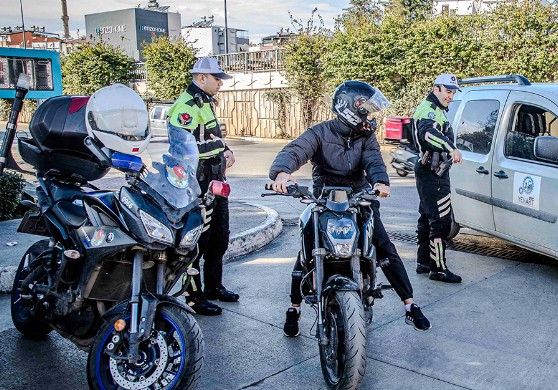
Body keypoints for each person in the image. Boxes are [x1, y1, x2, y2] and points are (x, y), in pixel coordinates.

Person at [267, 80, 432, 335]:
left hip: (359, 196)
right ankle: (294, 307)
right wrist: (281, 173)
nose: (370, 116)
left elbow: (374, 161)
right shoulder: (319, 133)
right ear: (350, 109)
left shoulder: (366, 137)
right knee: (307, 247)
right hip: (324, 199)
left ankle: (410, 305)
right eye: (367, 111)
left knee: (384, 245)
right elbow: (296, 150)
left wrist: (380, 182)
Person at [167, 57, 239, 316]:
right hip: (197, 184)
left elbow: (213, 136)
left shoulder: (204, 102)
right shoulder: (185, 106)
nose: (220, 83)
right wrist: (219, 148)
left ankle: (214, 287)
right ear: (201, 78)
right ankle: (193, 297)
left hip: (216, 180)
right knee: (197, 241)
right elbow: (181, 148)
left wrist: (226, 149)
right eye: (216, 78)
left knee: (219, 238)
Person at [412, 74, 463, 283]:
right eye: (447, 91)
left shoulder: (436, 109)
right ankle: (438, 269)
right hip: (433, 172)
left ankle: (424, 262)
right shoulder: (429, 111)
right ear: (436, 89)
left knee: (426, 217)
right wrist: (451, 148)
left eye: (453, 92)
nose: (450, 96)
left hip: (431, 170)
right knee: (440, 222)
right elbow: (427, 134)